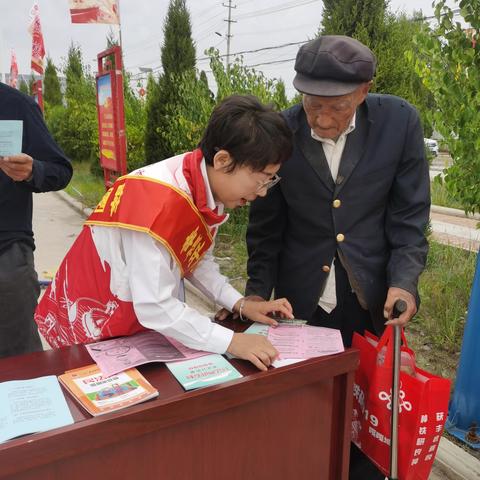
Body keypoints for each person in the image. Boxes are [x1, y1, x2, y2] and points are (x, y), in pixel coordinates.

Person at [245, 36, 430, 477]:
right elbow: (265, 230)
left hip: (369, 301)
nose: (323, 119)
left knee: (368, 422)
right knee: (305, 419)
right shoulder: (281, 133)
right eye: (313, 105)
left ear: (364, 92)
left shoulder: (399, 122)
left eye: (339, 107)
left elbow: (408, 217)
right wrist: (255, 294)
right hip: (299, 304)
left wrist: (405, 280)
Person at [35, 95, 294, 372]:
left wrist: (240, 304)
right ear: (222, 160)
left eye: (270, 180)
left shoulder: (202, 184)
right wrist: (232, 341)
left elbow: (196, 259)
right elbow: (156, 307)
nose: (263, 191)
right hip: (95, 323)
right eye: (261, 179)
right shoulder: (156, 202)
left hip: (134, 323)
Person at [0, 82, 72, 359]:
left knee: (19, 366)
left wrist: (33, 171)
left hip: (6, 257)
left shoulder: (15, 105)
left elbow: (61, 170)